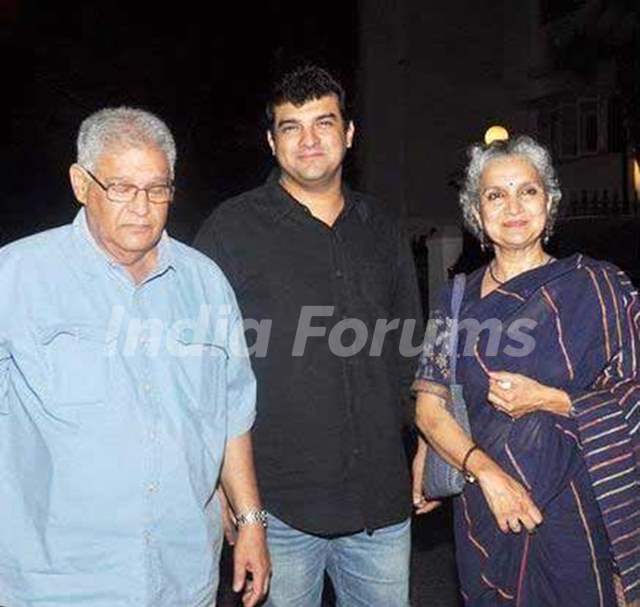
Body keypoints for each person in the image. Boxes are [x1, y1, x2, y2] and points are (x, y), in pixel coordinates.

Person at [0, 107, 270, 607]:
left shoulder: (205, 283)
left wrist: (251, 521)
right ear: (81, 184)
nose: (142, 208)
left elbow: (232, 412)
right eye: (121, 188)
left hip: (182, 578)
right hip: (57, 584)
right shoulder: (16, 278)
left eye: (157, 189)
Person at [194, 65, 423, 606]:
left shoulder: (382, 227)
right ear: (272, 143)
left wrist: (429, 445)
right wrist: (222, 484)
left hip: (380, 504)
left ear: (348, 134)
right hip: (279, 507)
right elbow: (202, 368)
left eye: (324, 122)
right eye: (291, 126)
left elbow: (408, 352)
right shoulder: (231, 229)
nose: (310, 139)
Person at [412, 134, 640, 606]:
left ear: (550, 202)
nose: (513, 206)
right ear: (477, 212)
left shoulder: (599, 289)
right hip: (485, 512)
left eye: (528, 190)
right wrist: (488, 475)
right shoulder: (454, 301)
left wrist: (552, 399)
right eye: (496, 194)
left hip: (580, 514)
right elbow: (430, 411)